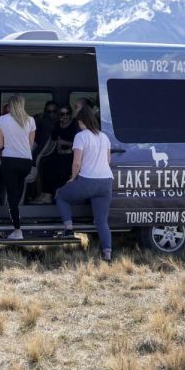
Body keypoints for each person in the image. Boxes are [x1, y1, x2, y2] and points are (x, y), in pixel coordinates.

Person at [54, 107, 114, 261]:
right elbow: (108, 161)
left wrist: (73, 178)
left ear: (81, 121)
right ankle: (107, 253)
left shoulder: (81, 136)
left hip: (87, 181)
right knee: (101, 221)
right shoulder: (104, 137)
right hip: (106, 182)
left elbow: (76, 162)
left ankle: (68, 229)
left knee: (61, 195)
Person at [0, 94, 36, 240]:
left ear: (10, 105)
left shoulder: (2, 120)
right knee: (17, 192)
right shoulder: (30, 120)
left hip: (10, 161)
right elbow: (30, 145)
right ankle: (16, 215)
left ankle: (17, 230)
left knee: (12, 194)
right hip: (26, 162)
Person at [32, 105, 76, 203]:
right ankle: (42, 194)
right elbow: (54, 140)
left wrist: (65, 143)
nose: (65, 116)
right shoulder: (56, 126)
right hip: (59, 154)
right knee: (46, 164)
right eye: (62, 114)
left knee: (54, 167)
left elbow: (80, 144)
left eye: (67, 113)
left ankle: (48, 196)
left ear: (71, 114)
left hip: (72, 156)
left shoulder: (74, 125)